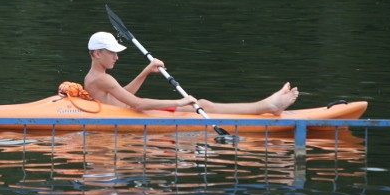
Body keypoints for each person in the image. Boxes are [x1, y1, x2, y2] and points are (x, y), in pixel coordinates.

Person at [84, 32, 299, 115]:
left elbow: (120, 95)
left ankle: (266, 105)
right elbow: (137, 104)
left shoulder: (96, 78)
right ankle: (267, 106)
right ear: (96, 53)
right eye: (112, 53)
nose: (116, 57)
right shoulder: (102, 78)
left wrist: (146, 72)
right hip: (135, 114)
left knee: (203, 104)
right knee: (199, 106)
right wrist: (178, 102)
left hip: (128, 110)